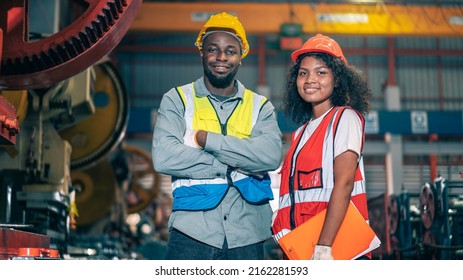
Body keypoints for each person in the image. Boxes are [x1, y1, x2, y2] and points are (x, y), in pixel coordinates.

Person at [151, 12, 283, 260]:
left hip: (249, 234)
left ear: (241, 56)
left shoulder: (259, 106)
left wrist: (206, 141)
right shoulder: (177, 100)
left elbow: (271, 156)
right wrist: (234, 163)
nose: (221, 57)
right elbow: (164, 157)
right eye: (213, 49)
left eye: (230, 51)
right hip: (191, 233)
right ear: (201, 52)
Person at [271, 34, 372, 260]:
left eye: (321, 72)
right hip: (303, 247)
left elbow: (344, 183)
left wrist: (324, 246)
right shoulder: (299, 134)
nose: (310, 79)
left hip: (337, 249)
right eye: (303, 73)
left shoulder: (344, 118)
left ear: (338, 80)